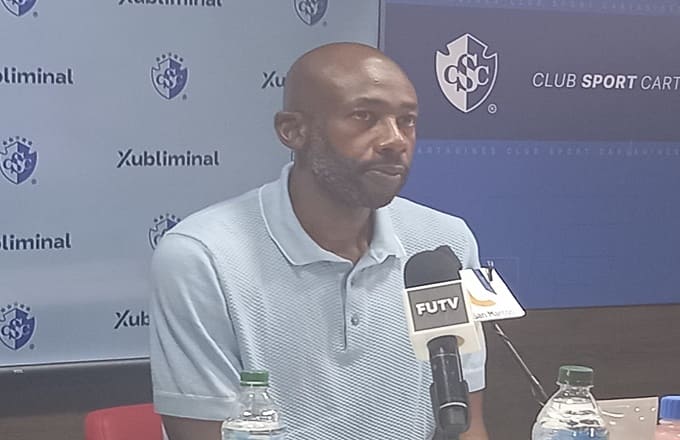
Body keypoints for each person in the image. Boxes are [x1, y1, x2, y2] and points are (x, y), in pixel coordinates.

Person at [149, 42, 489, 440]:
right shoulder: (203, 256)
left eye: (407, 121)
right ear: (293, 131)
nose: (395, 140)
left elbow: (465, 423)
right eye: (364, 116)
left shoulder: (443, 245)